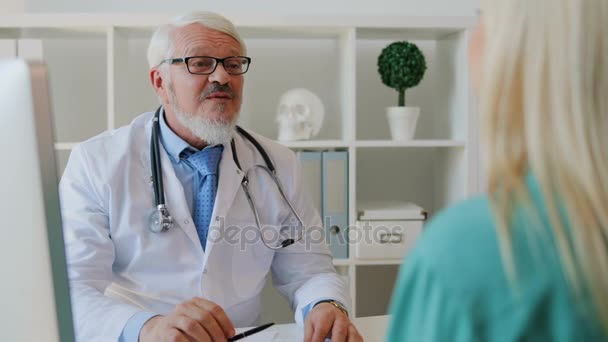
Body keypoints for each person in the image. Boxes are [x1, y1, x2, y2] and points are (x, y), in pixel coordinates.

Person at [60, 11, 362, 342]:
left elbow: (309, 271)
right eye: (200, 63)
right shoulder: (97, 162)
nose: (222, 76)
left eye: (233, 64)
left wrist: (325, 304)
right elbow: (71, 290)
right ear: (160, 82)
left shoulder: (279, 164)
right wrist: (147, 327)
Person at [386, 0, 607, 340]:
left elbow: (307, 268)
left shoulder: (466, 253)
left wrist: (325, 300)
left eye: (484, 19)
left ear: (518, 55)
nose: (474, 40)